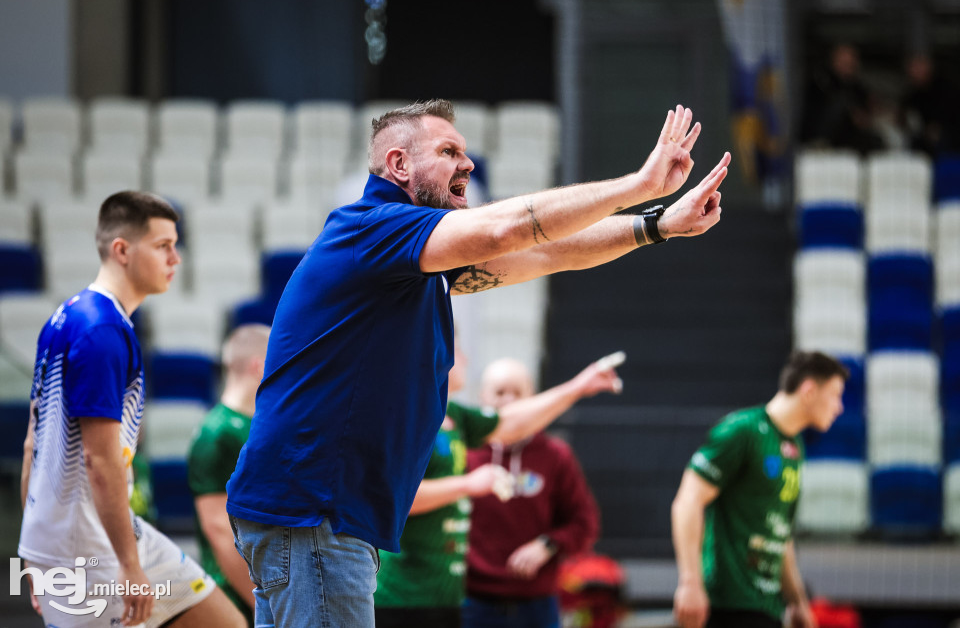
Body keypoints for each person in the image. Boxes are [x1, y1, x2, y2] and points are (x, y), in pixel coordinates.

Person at [227, 99, 731, 626]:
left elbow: (548, 252)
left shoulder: (412, 263)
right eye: (449, 152)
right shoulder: (374, 226)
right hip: (314, 513)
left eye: (465, 152)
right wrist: (638, 185)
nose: (467, 164)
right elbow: (505, 231)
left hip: (317, 516)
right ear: (399, 166)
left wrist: (657, 225)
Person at [18, 191, 245, 628]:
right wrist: (127, 565)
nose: (175, 259)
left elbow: (33, 444)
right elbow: (97, 459)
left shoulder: (67, 316)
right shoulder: (100, 330)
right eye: (163, 246)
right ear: (122, 250)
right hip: (85, 547)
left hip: (107, 531)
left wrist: (31, 545)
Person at [374, 343, 615, 628]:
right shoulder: (411, 414)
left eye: (518, 393)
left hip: (460, 599)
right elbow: (393, 497)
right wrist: (467, 484)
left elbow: (510, 424)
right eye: (457, 350)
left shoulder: (462, 419)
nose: (463, 357)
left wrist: (577, 387)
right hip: (414, 597)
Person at [671, 351, 848, 628]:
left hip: (766, 607)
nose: (840, 407)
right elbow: (687, 501)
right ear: (809, 390)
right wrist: (690, 582)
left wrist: (797, 602)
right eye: (835, 395)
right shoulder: (743, 431)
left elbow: (781, 534)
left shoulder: (794, 447)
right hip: (727, 606)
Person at [462, 357, 601, 628]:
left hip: (536, 602)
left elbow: (585, 523)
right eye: (500, 392)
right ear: (482, 397)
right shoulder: (464, 452)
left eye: (518, 393)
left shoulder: (555, 455)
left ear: (534, 397)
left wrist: (548, 544)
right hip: (470, 600)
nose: (509, 401)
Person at [187, 324, 271, 626]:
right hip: (237, 595)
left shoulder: (258, 425)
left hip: (269, 586)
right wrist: (260, 603)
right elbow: (219, 530)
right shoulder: (216, 432)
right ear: (258, 365)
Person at [900, 53, 960, 158]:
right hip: (947, 142)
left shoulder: (946, 88)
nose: (915, 71)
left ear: (928, 66)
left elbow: (949, 122)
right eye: (912, 68)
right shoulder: (915, 95)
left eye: (919, 66)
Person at [799, 43, 884, 155]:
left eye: (851, 62)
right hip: (821, 140)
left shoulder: (857, 87)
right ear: (834, 61)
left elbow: (867, 113)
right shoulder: (820, 80)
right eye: (844, 62)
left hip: (851, 142)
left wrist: (867, 114)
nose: (849, 65)